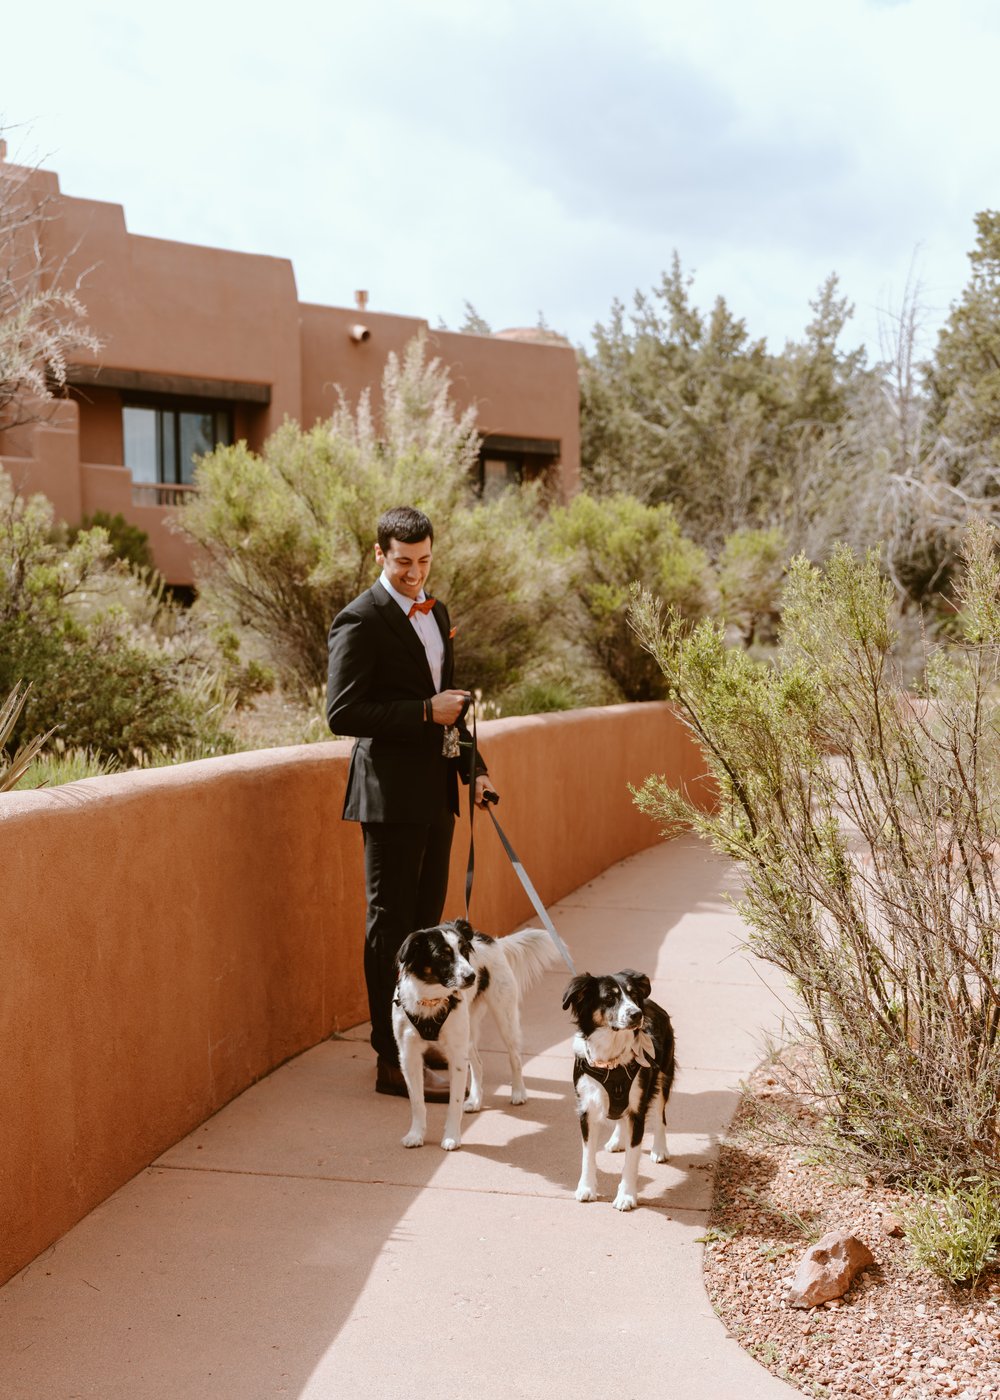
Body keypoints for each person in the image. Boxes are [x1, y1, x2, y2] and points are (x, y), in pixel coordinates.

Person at [326, 505, 497, 1099]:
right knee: (389, 928)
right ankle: (388, 1056)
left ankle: (426, 1042)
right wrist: (424, 712)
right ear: (379, 555)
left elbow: (449, 703)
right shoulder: (360, 619)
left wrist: (472, 768)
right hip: (387, 798)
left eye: (423, 561)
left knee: (427, 930)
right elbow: (341, 714)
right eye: (403, 562)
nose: (414, 573)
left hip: (436, 795)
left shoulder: (437, 610)